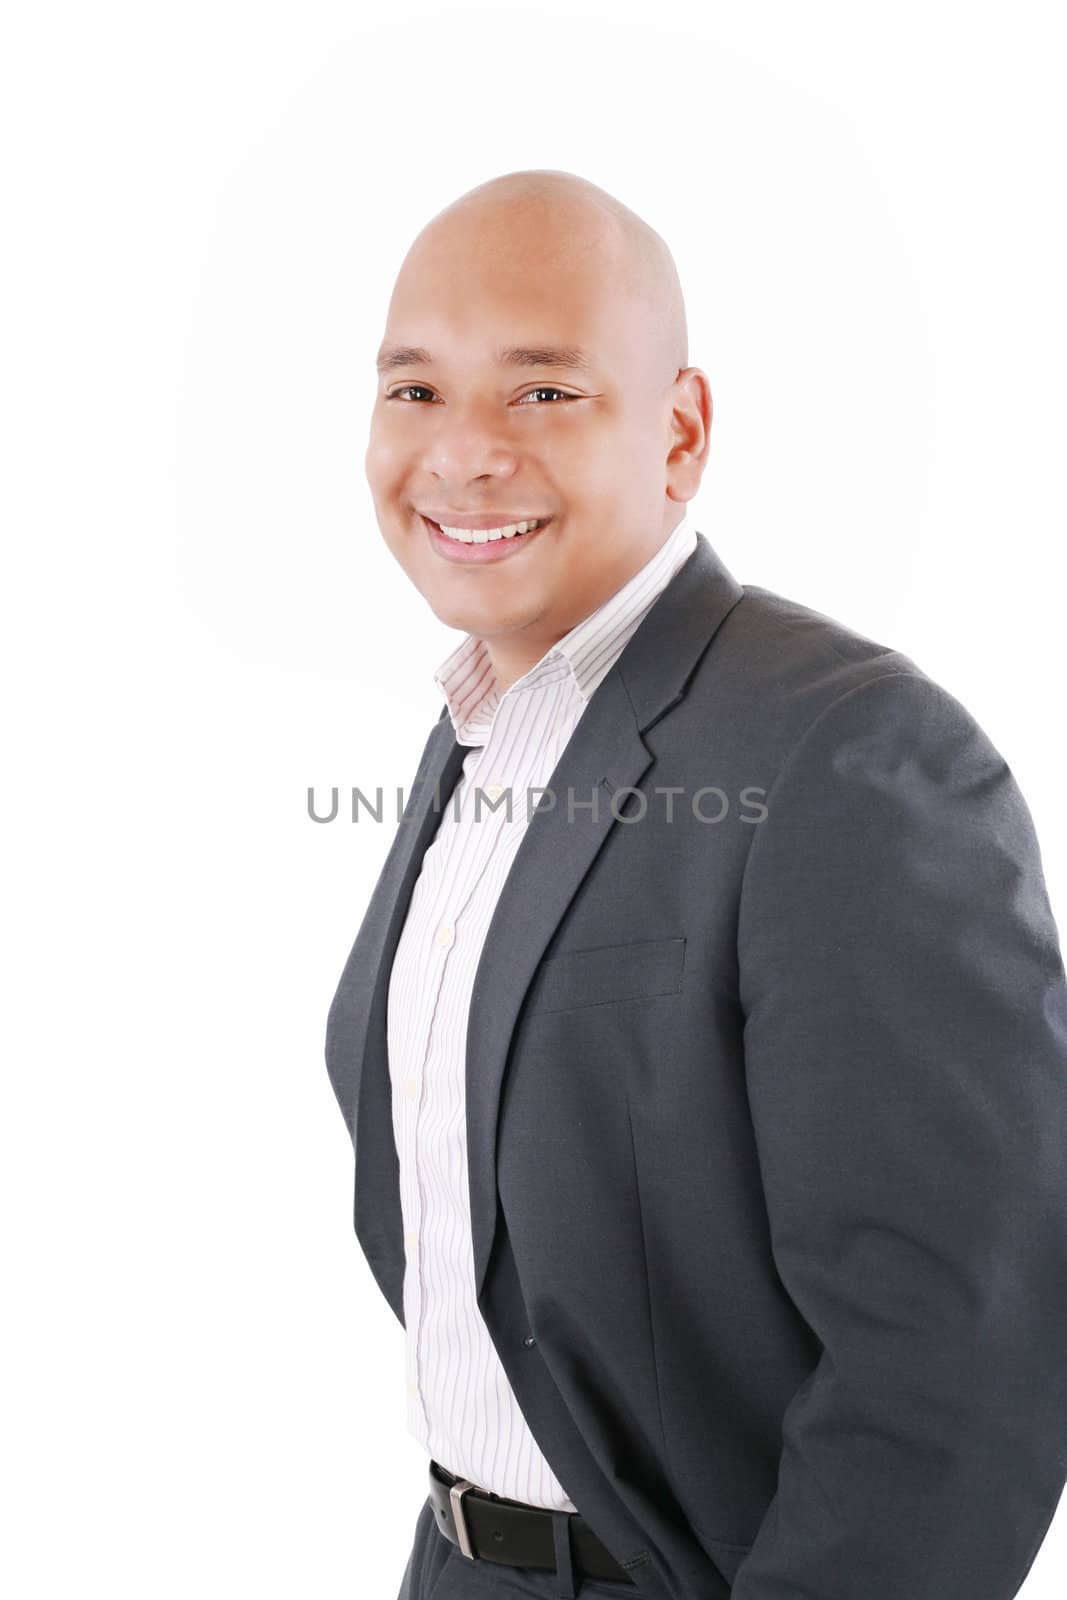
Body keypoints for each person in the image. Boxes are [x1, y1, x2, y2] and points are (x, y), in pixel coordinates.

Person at [325, 168, 1067, 1600]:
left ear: (679, 432)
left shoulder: (843, 749)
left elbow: (967, 1362)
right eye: (414, 392)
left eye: (542, 392)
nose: (462, 453)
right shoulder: (480, 726)